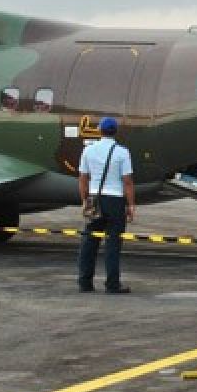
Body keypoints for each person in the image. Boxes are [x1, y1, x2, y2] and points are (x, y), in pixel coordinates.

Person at [76, 116, 135, 293]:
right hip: (115, 201)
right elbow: (127, 182)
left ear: (99, 130)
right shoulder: (122, 152)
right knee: (113, 244)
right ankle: (112, 284)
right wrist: (131, 205)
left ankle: (85, 283)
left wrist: (85, 200)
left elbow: (83, 179)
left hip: (94, 198)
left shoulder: (88, 150)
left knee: (89, 242)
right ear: (116, 131)